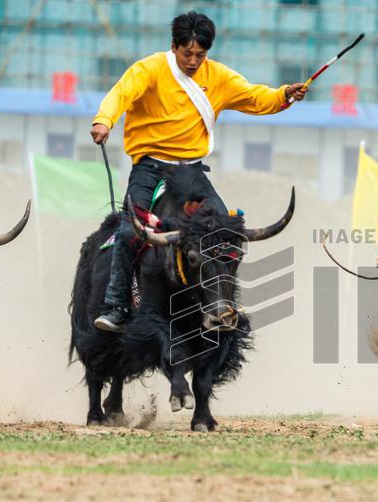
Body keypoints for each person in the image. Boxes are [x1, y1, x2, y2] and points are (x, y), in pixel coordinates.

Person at [91, 11, 309, 332]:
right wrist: (104, 120)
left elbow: (253, 96)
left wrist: (283, 95)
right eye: (187, 53)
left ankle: (226, 305)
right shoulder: (149, 69)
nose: (193, 61)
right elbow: (120, 94)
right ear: (173, 47)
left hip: (192, 172)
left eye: (200, 55)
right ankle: (118, 305)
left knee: (226, 233)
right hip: (149, 169)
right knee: (129, 230)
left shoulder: (218, 77)